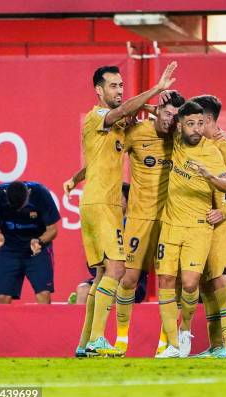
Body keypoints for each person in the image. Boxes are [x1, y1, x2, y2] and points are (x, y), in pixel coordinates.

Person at [68, 62, 178, 357]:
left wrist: (73, 179)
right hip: (102, 204)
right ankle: (96, 341)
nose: (118, 90)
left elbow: (97, 159)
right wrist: (157, 90)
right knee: (117, 269)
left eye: (120, 85)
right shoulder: (98, 116)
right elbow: (122, 112)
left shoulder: (115, 127)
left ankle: (85, 343)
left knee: (103, 273)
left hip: (101, 202)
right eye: (113, 86)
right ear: (98, 90)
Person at [155, 101, 226, 359]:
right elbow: (158, 118)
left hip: (199, 227)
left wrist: (210, 176)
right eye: (191, 123)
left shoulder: (211, 151)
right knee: (165, 280)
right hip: (171, 224)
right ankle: (172, 346)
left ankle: (184, 329)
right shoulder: (176, 139)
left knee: (189, 285)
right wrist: (159, 94)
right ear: (181, 125)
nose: (196, 129)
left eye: (200, 123)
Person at [0, 181, 60, 304]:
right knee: (3, 297)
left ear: (28, 194)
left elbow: (53, 230)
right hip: (9, 250)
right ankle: (3, 324)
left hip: (37, 249)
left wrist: (40, 241)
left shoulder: (41, 194)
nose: (19, 210)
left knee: (43, 295)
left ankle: (44, 323)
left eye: (22, 206)